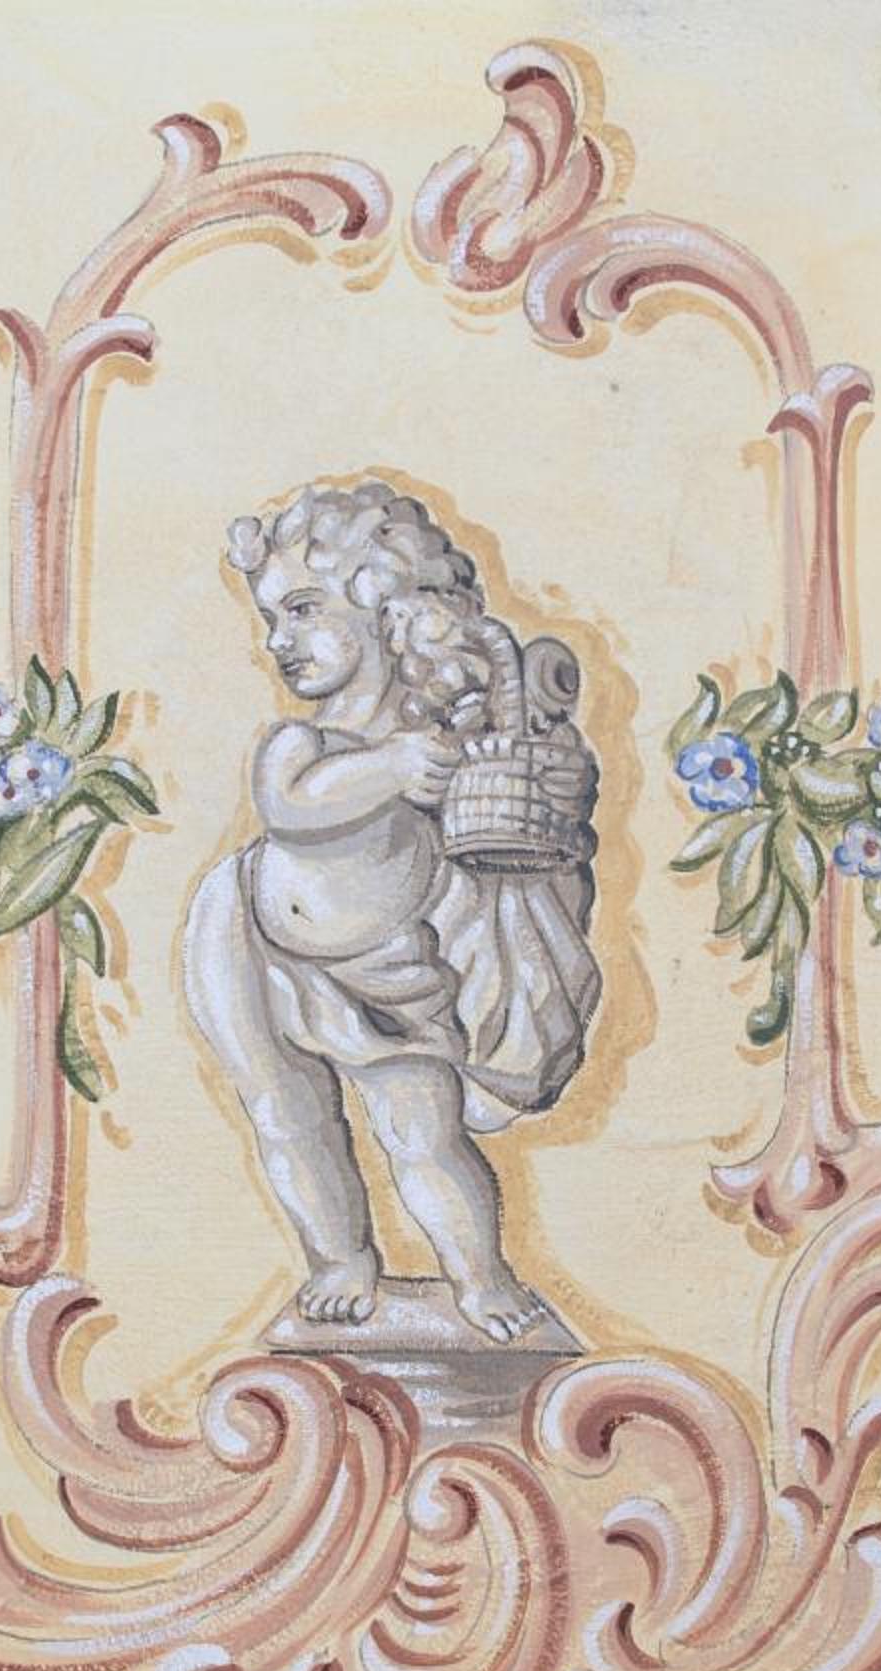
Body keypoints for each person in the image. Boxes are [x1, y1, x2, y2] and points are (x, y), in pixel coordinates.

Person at [184, 481, 602, 1342]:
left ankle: (481, 1278)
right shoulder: (304, 742)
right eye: (271, 619)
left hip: (390, 974)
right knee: (286, 1115)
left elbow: (517, 797)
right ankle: (340, 1260)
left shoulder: (447, 738)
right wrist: (391, 769)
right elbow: (289, 801)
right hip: (257, 950)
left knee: (422, 1135)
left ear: (386, 603)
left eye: (303, 609)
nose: (279, 641)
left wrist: (552, 776)